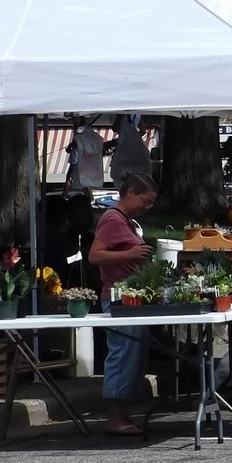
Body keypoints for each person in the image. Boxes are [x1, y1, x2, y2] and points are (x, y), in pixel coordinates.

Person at [87, 172, 157, 436]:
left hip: (130, 298)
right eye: (146, 201)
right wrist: (131, 253)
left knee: (133, 355)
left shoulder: (125, 220)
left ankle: (123, 413)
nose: (148, 207)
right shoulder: (112, 219)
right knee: (123, 354)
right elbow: (94, 256)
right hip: (117, 298)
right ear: (130, 194)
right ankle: (115, 417)